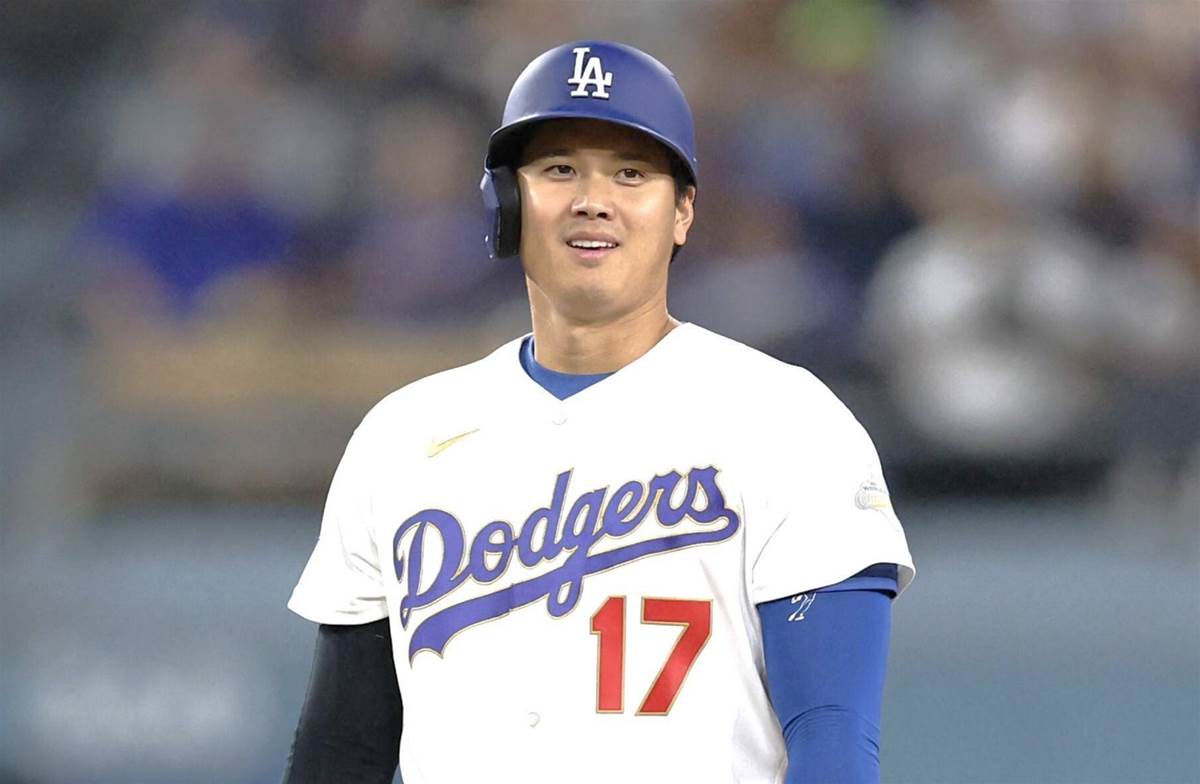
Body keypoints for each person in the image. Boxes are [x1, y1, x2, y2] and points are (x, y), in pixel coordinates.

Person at [283, 40, 915, 784]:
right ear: (506, 204)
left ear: (683, 212)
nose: (593, 198)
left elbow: (833, 739)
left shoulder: (787, 420)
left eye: (631, 173)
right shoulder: (402, 436)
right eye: (559, 169)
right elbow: (341, 752)